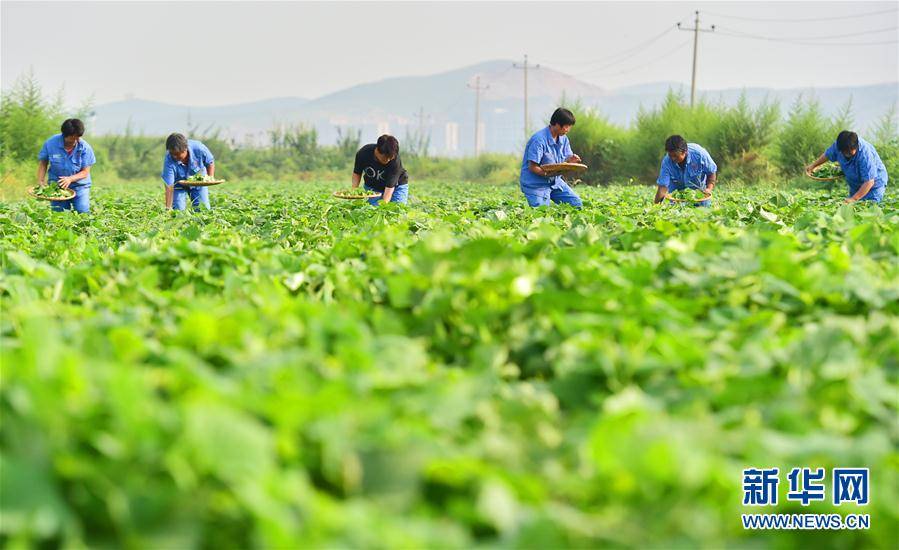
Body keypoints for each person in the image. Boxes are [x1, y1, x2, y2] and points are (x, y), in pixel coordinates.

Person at [519, 108, 583, 208]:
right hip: (536, 184)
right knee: (542, 212)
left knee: (576, 204)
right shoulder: (539, 140)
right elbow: (533, 167)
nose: (567, 130)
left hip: (555, 182)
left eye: (569, 127)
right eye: (565, 127)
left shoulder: (564, 138)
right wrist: (547, 174)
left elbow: (565, 160)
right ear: (557, 124)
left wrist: (571, 161)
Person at [806, 130, 888, 204]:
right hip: (856, 185)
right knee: (851, 212)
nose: (846, 154)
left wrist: (854, 199)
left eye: (849, 152)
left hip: (873, 187)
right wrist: (813, 166)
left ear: (855, 147)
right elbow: (827, 155)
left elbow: (869, 181)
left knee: (867, 210)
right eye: (844, 152)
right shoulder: (839, 145)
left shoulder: (865, 155)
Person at [37, 119, 97, 213]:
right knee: (59, 213)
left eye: (78, 137)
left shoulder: (85, 148)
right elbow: (43, 163)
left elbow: (85, 172)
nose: (76, 140)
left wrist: (70, 179)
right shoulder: (51, 144)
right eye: (73, 137)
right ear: (65, 135)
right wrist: (40, 181)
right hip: (57, 185)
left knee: (82, 211)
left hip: (79, 186)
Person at [654, 135, 717, 207]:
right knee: (678, 215)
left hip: (699, 195)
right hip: (677, 198)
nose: (673, 159)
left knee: (703, 213)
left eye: (675, 156)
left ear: (685, 151)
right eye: (670, 155)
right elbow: (662, 188)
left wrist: (709, 189)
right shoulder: (666, 162)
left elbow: (711, 172)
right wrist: (655, 207)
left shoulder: (699, 154)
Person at [160, 133, 216, 210]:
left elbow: (210, 162)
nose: (174, 156)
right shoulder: (169, 158)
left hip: (198, 182)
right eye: (172, 154)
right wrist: (168, 207)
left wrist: (210, 178)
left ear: (185, 149)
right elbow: (169, 185)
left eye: (177, 154)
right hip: (178, 184)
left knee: (203, 209)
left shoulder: (199, 149)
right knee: (178, 209)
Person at [351, 134, 409, 205]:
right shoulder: (364, 153)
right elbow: (357, 173)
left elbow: (389, 188)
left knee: (397, 209)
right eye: (385, 157)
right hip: (373, 186)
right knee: (372, 210)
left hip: (397, 186)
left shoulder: (395, 162)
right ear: (377, 150)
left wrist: (383, 207)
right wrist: (354, 192)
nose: (388, 160)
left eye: (390, 158)